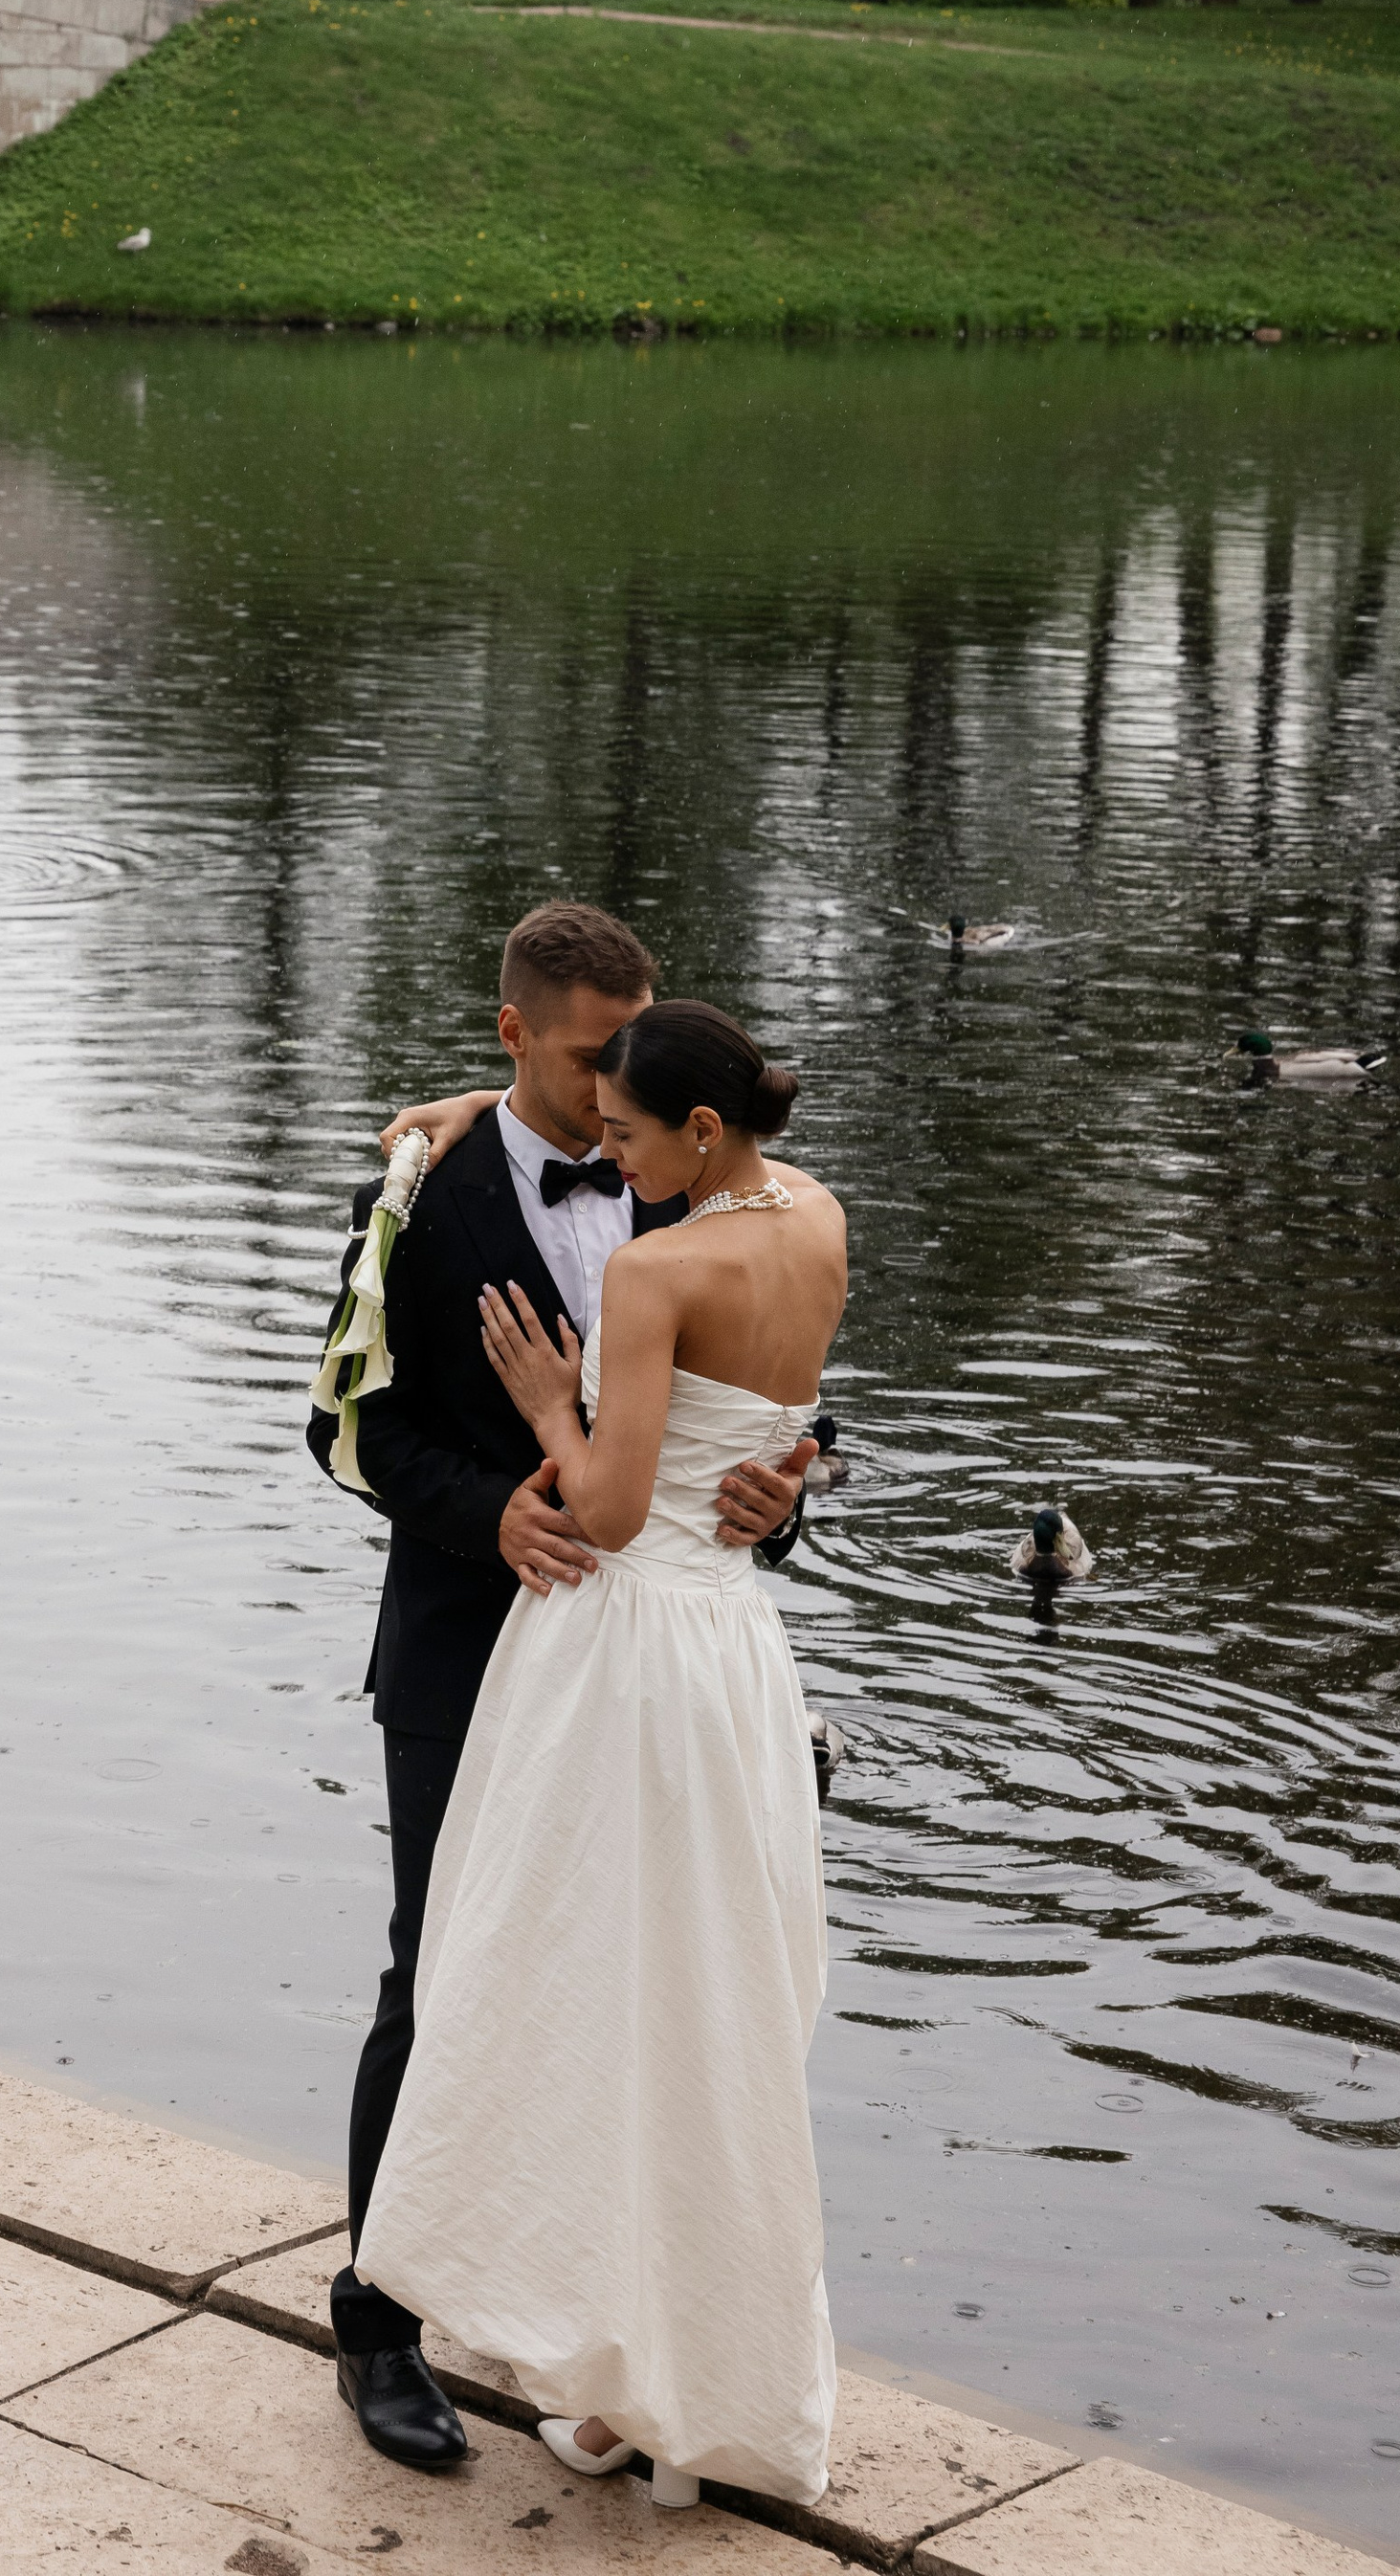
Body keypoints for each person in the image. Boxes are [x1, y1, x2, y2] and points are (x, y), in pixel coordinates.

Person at [308, 906, 814, 2474]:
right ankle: (378, 2325)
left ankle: (602, 2325)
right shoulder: (422, 1191)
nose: (614, 1095)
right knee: (439, 1969)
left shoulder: (703, 1187)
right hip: (474, 1646)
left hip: (656, 1658)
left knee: (652, 1985)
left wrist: (780, 1491)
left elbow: (775, 1384)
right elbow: (350, 1429)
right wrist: (495, 1511)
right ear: (513, 1034)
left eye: (633, 1057)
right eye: (592, 1056)